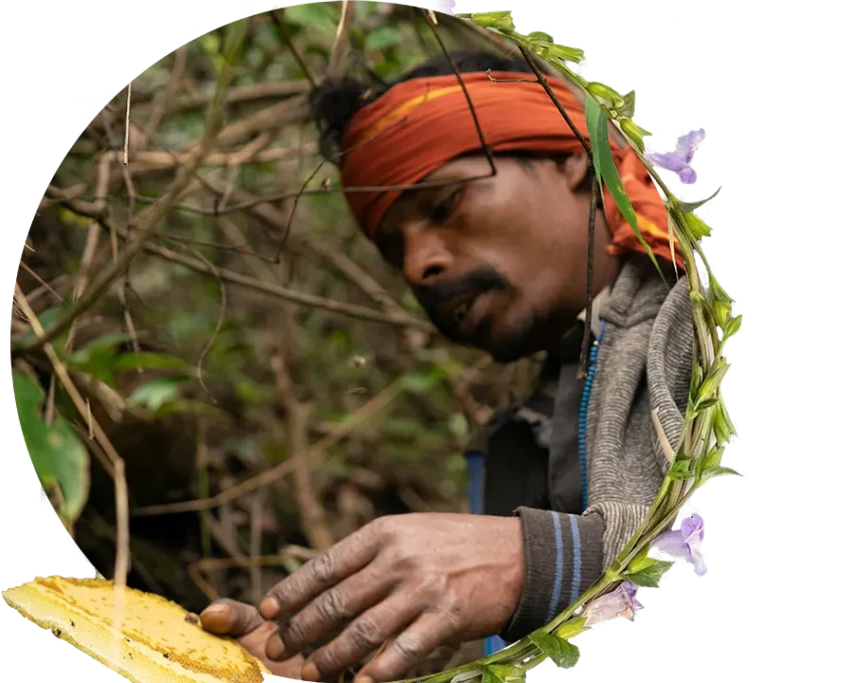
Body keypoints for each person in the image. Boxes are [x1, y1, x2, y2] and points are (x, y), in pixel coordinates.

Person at [199, 50, 693, 683]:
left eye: (443, 205)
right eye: (393, 247)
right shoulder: (521, 433)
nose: (417, 266)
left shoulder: (706, 316)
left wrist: (536, 563)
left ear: (573, 154)